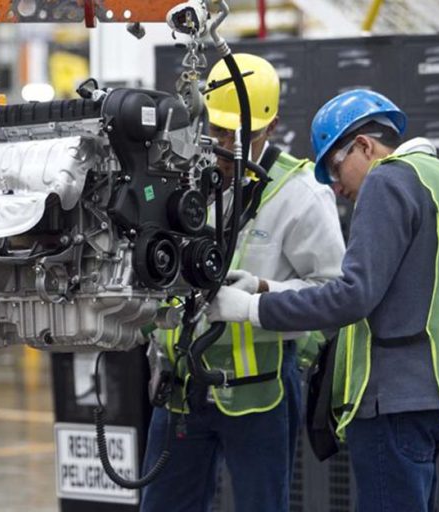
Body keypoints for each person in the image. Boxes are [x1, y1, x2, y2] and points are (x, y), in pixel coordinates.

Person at [206, 89, 439, 512]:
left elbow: (352, 295)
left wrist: (251, 309)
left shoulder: (387, 180)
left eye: (335, 169)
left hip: (390, 401)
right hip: (437, 400)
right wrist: (266, 286)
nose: (335, 187)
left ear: (363, 145)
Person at [140, 54, 345, 512]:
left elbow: (334, 295)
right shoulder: (179, 179)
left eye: (242, 137)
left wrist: (260, 293)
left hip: (261, 393)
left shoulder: (300, 195)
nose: (227, 146)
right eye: (218, 132)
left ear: (269, 129)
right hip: (180, 388)